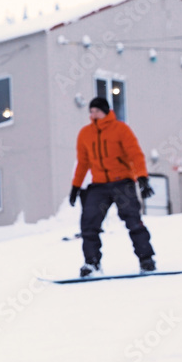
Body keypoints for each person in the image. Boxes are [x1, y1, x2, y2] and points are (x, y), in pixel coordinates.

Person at [69, 96, 156, 277]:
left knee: (133, 221)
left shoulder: (121, 129)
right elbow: (83, 163)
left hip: (122, 182)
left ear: (106, 111)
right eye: (91, 111)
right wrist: (75, 187)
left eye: (97, 111)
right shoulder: (85, 134)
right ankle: (92, 263)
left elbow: (135, 154)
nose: (93, 114)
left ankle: (146, 259)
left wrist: (142, 177)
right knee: (89, 224)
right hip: (99, 185)